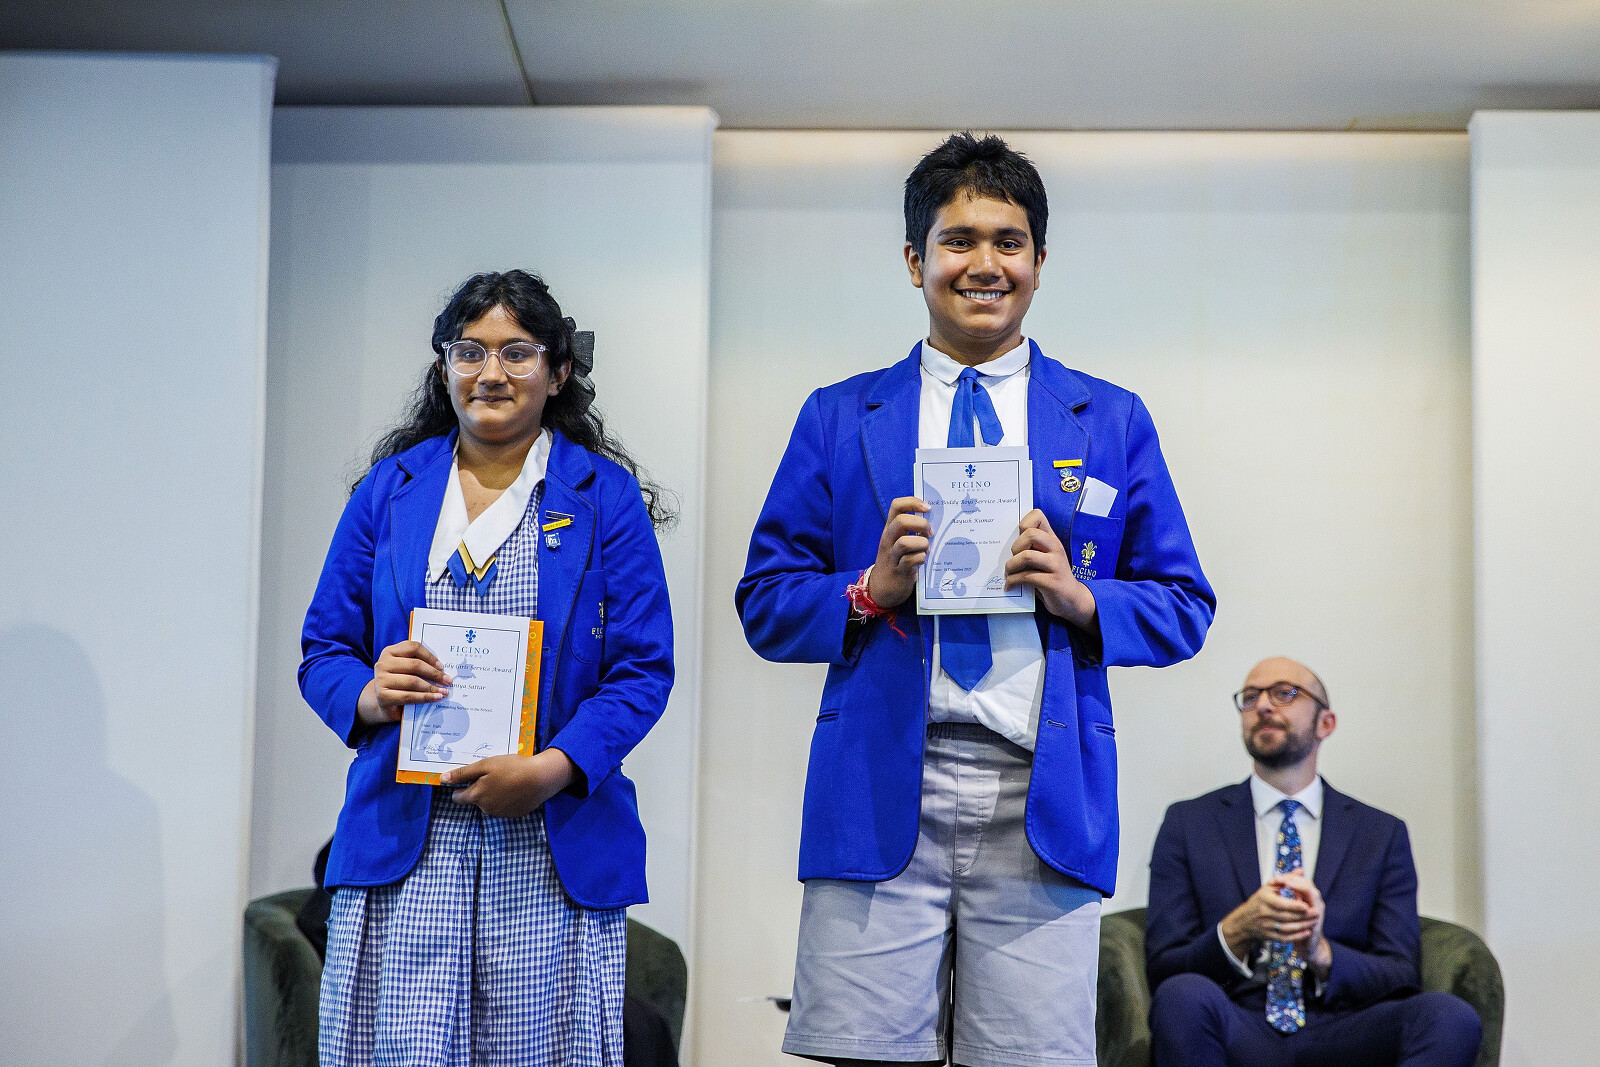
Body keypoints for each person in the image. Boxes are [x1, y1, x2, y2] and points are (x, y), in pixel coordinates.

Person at [737, 133, 1215, 1067]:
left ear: (1040, 260)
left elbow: (1183, 603)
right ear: (914, 259)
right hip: (880, 781)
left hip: (1043, 791)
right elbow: (765, 599)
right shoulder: (839, 414)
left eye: (1009, 241)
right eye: (958, 240)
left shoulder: (1110, 417)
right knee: (866, 1056)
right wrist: (868, 590)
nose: (984, 263)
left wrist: (1080, 597)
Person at [300, 270, 675, 1067]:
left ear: (558, 371)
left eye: (517, 352)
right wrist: (368, 694)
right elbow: (324, 648)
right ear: (444, 366)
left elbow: (642, 670)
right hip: (406, 841)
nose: (490, 372)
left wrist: (552, 768)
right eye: (469, 351)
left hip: (549, 841)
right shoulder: (389, 492)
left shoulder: (604, 498)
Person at [1144, 657, 1483, 1067]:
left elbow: (1400, 972)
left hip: (1345, 1027)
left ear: (1326, 723)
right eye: (1250, 697)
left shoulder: (1380, 833)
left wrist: (1320, 952)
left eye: (1284, 693)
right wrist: (1238, 930)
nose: (1263, 706)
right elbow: (1164, 966)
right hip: (1236, 1019)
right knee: (1180, 997)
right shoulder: (1189, 823)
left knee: (1449, 1017)